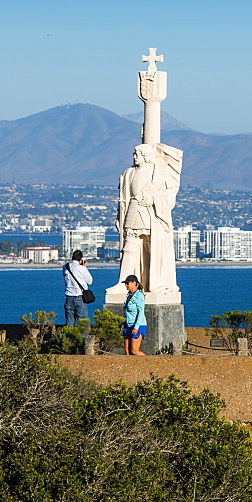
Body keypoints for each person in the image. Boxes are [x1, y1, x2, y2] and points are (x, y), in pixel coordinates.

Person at [107, 142, 183, 297]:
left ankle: (154, 282)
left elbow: (169, 195)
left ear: (146, 156)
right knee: (129, 246)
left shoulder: (159, 171)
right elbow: (123, 198)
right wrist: (119, 216)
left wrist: (154, 201)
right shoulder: (129, 173)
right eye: (134, 154)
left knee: (152, 247)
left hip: (151, 214)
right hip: (133, 210)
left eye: (138, 154)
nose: (135, 157)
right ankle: (124, 282)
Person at [63, 250, 93, 326]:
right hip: (79, 297)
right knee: (82, 322)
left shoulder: (65, 267)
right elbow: (90, 281)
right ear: (81, 259)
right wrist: (84, 267)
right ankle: (82, 338)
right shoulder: (81, 268)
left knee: (69, 322)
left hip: (68, 297)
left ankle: (69, 337)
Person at [122, 274, 146, 356]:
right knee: (127, 350)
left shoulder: (139, 296)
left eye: (127, 283)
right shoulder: (129, 295)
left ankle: (150, 362)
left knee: (134, 351)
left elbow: (141, 312)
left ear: (134, 283)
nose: (126, 285)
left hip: (138, 325)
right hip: (128, 324)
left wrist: (136, 327)